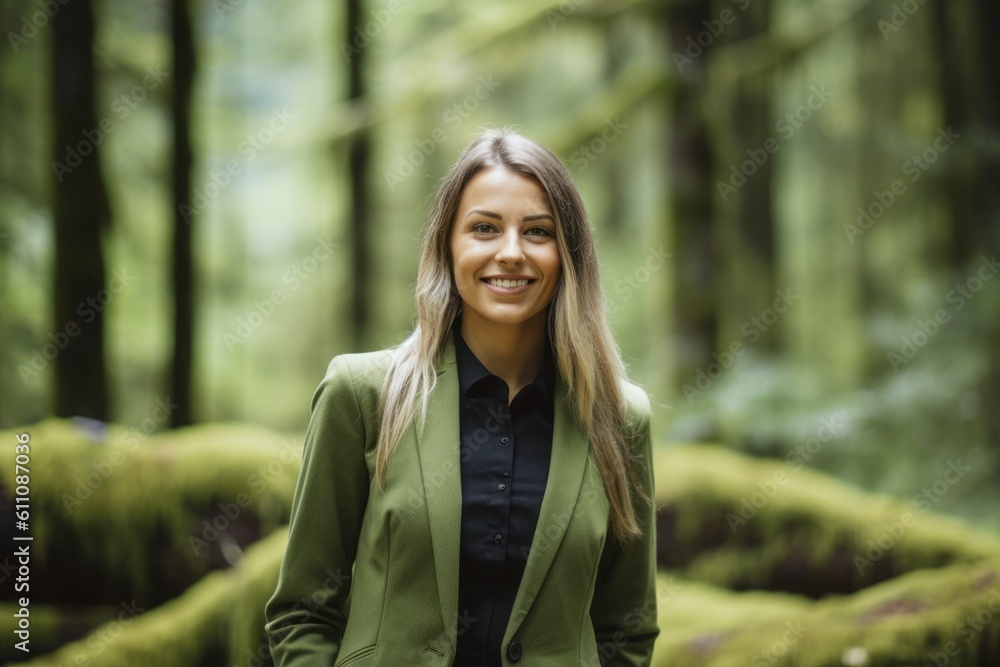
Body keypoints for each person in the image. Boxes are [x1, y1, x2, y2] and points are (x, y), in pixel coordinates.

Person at [264, 128, 659, 666]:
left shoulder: (619, 418)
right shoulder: (361, 396)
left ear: (568, 255)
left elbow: (627, 630)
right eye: (484, 228)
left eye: (538, 231)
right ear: (448, 246)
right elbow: (303, 611)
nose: (512, 252)